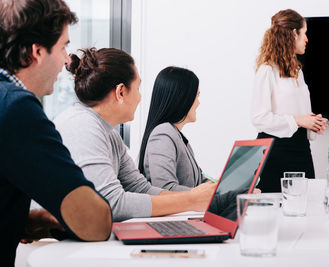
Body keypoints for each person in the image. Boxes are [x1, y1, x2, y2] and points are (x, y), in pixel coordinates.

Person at [0, 1, 112, 266]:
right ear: (36, 52)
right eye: (63, 46)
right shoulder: (16, 108)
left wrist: (22, 221)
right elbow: (96, 222)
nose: (66, 59)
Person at [54, 48, 217, 222]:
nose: (140, 98)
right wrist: (191, 200)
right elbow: (111, 204)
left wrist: (197, 198)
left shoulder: (109, 134)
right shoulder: (82, 125)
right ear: (121, 92)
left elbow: (140, 188)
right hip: (58, 244)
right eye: (138, 88)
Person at [251, 9, 328, 193]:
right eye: (304, 33)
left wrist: (312, 123)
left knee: (306, 207)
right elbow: (259, 118)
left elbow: (298, 114)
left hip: (301, 149)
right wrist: (300, 120)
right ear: (294, 34)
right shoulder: (267, 70)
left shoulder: (297, 72)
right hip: (275, 152)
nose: (307, 39)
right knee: (274, 212)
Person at [138, 66, 206, 191]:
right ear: (183, 98)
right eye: (197, 96)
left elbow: (200, 180)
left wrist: (221, 188)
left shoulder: (178, 137)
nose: (198, 103)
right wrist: (205, 194)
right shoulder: (163, 134)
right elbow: (166, 188)